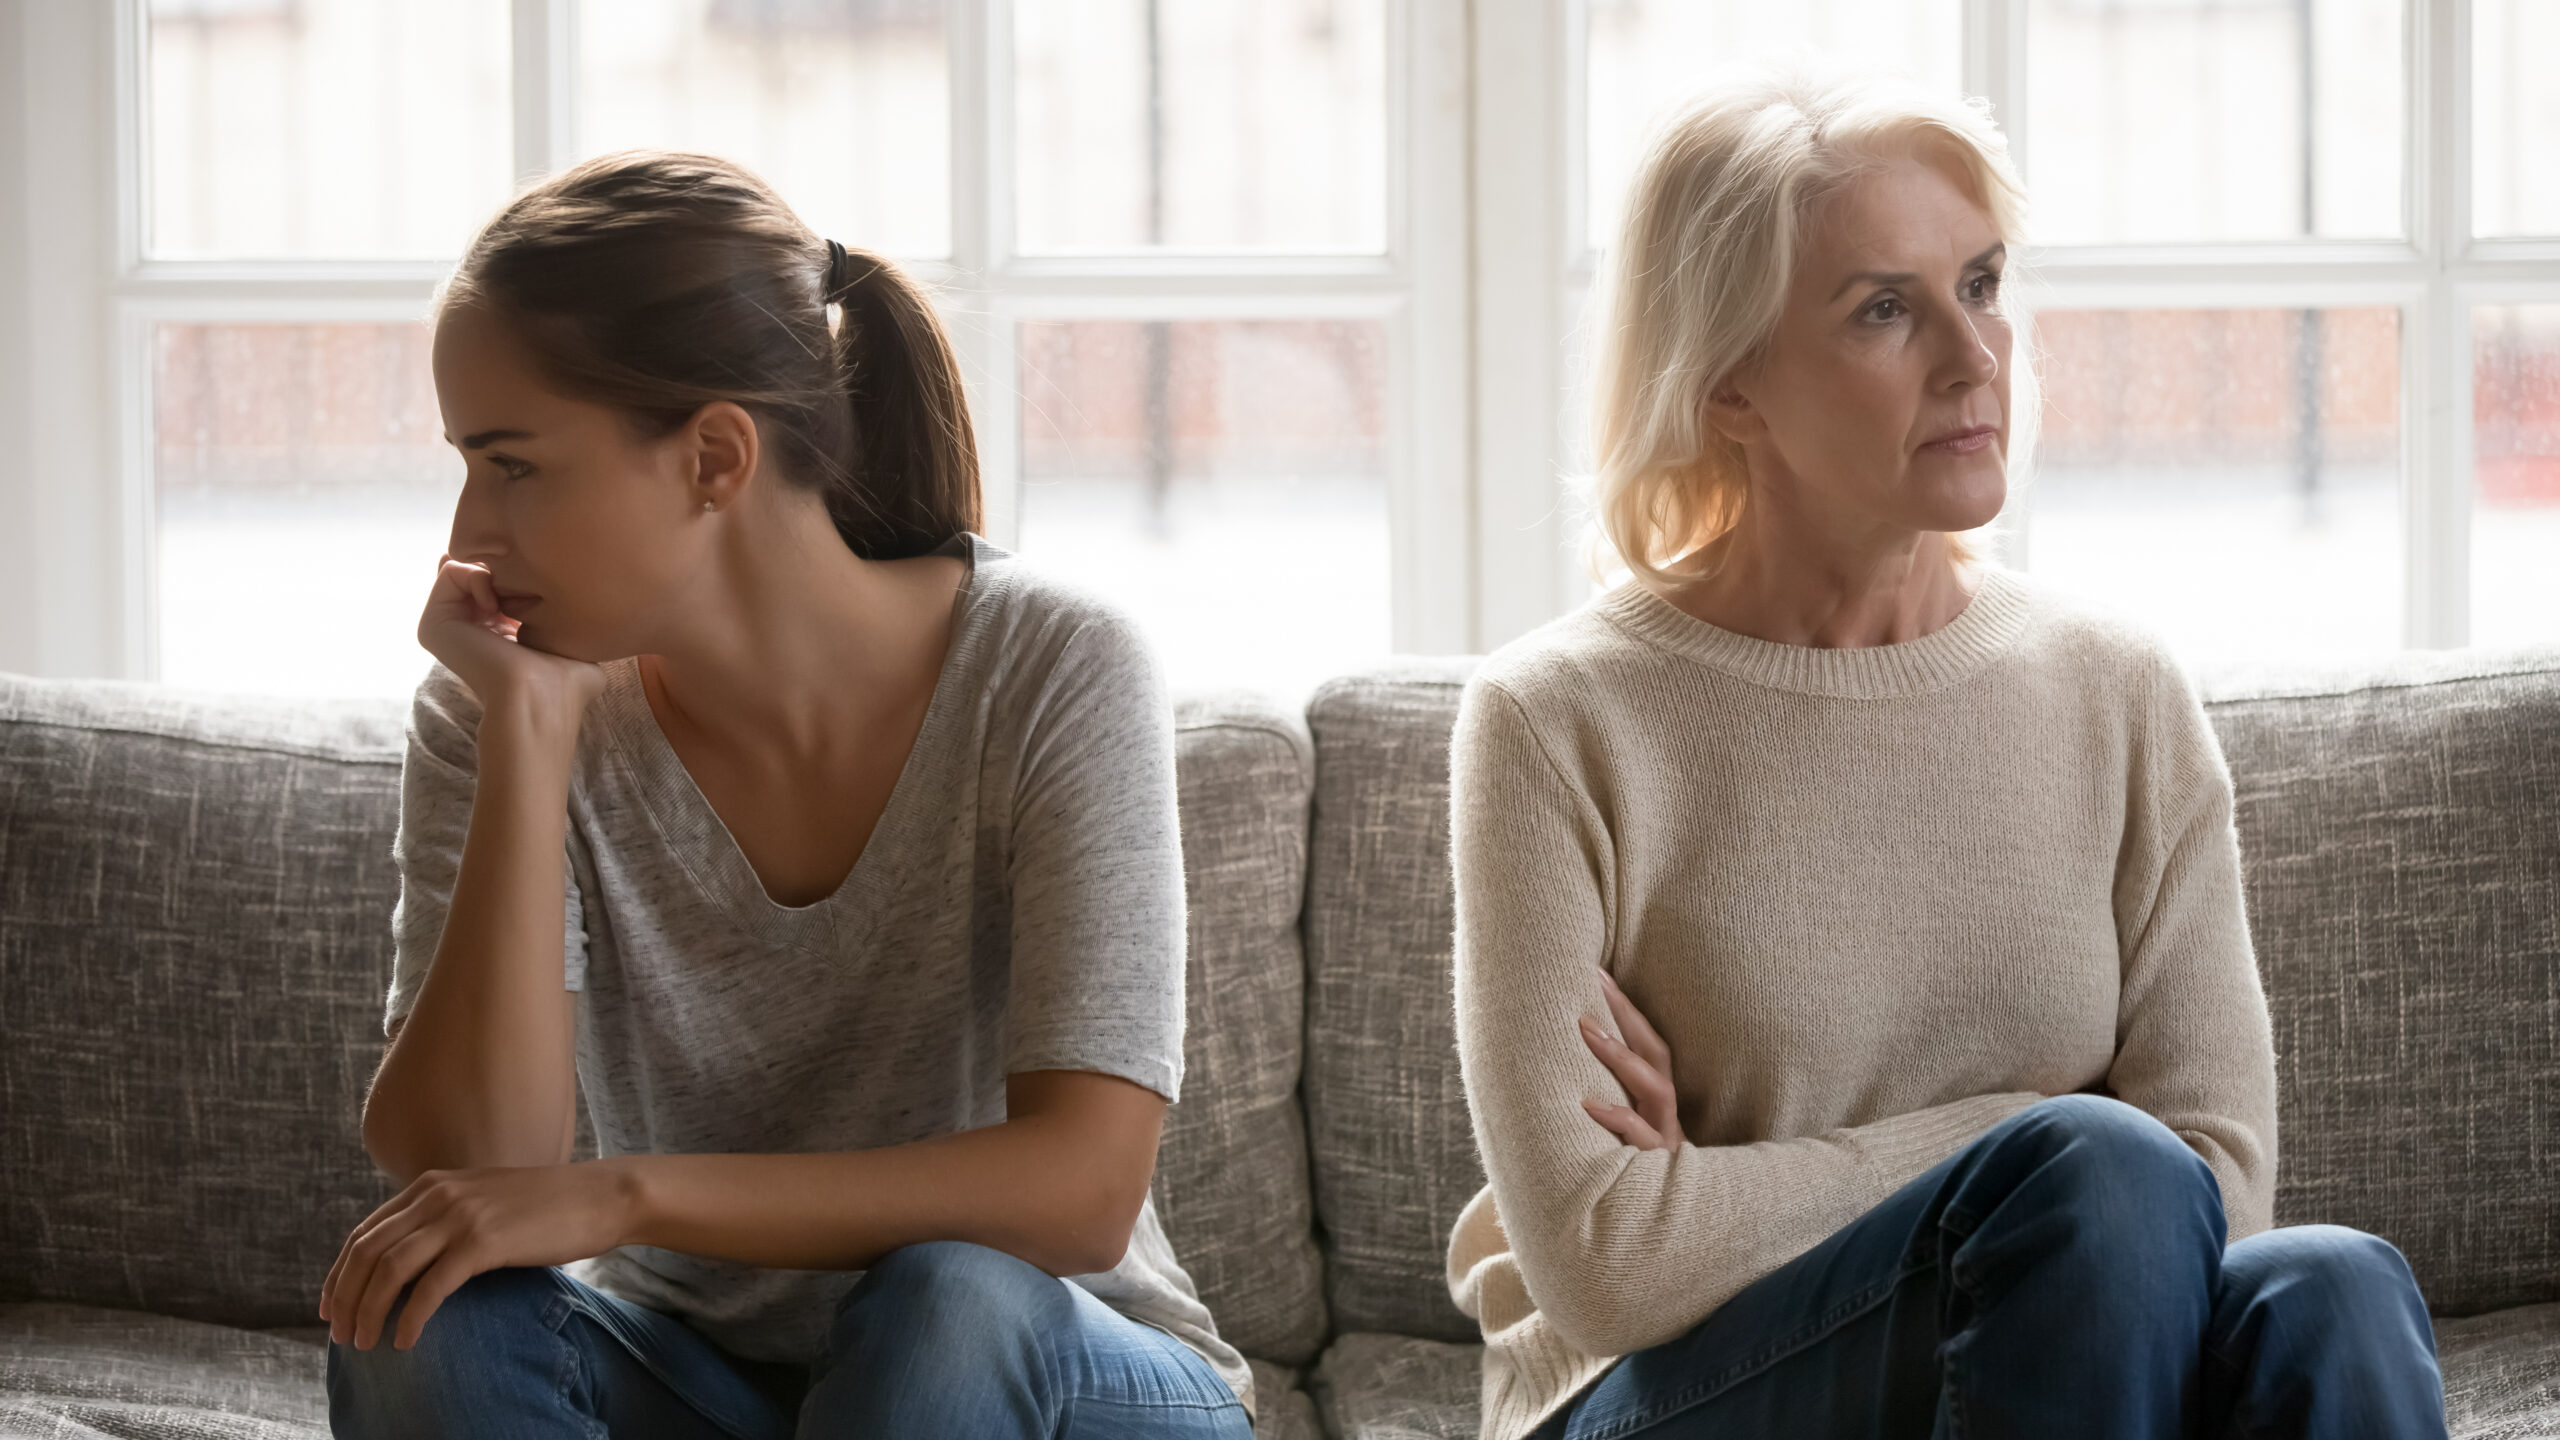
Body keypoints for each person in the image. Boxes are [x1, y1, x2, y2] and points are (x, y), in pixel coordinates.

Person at [1446, 70, 2447, 1440]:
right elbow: (1610, 1256)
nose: (1975, 358)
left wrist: (1770, 1186)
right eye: (1884, 309)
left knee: (2329, 1289)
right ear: (1730, 381)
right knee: (2093, 1166)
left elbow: (2216, 1185)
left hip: (2056, 1367)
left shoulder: (2116, 693)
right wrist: (2028, 1138)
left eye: (1979, 284)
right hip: (1663, 1401)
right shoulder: (1556, 722)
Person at [318, 150, 1253, 1440]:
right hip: (700, 1378)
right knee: (436, 1314)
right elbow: (472, 1171)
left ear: (713, 455)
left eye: (513, 464)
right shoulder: (498, 710)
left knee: (946, 1303)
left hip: (1058, 1374)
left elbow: (1079, 1192)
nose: (469, 533)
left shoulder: (1052, 665)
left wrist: (626, 1198)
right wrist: (529, 744)